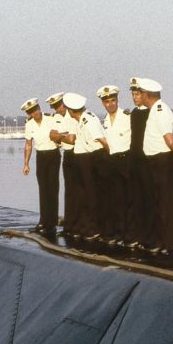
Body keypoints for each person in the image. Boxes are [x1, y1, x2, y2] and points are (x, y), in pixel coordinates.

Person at [141, 78, 173, 255]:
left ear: (146, 95)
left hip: (163, 162)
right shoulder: (153, 111)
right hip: (155, 162)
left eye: (141, 93)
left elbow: (170, 140)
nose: (139, 96)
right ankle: (163, 241)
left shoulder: (160, 111)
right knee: (159, 202)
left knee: (166, 203)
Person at [61, 93, 108, 240]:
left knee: (91, 195)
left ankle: (93, 229)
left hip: (92, 158)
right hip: (84, 160)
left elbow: (102, 141)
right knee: (85, 195)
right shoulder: (83, 118)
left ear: (70, 110)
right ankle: (87, 226)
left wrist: (109, 158)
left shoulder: (87, 120)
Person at [22, 98, 60, 236]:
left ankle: (52, 224)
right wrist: (26, 164)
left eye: (36, 109)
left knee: (53, 188)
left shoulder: (51, 119)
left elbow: (61, 134)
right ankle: (43, 221)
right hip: (41, 156)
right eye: (32, 112)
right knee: (43, 189)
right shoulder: (29, 125)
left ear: (39, 108)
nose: (35, 113)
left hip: (53, 155)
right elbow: (28, 145)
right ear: (29, 114)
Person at [98, 85, 130, 244]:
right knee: (114, 199)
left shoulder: (127, 116)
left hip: (125, 161)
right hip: (111, 162)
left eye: (113, 100)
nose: (110, 104)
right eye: (107, 102)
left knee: (127, 199)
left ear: (117, 100)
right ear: (103, 103)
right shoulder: (104, 120)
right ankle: (118, 232)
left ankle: (127, 233)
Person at [126, 78, 152, 249]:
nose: (135, 97)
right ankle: (139, 234)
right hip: (134, 160)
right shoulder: (134, 114)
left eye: (138, 94)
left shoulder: (150, 112)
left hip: (146, 160)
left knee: (148, 199)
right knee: (136, 200)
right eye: (133, 94)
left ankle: (149, 236)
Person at [48, 93, 78, 237]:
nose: (58, 109)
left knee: (80, 190)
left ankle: (80, 225)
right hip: (67, 155)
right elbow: (52, 136)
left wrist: (60, 137)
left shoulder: (73, 115)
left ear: (65, 104)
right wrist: (63, 136)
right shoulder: (56, 118)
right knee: (69, 190)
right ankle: (70, 225)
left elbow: (73, 139)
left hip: (78, 154)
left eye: (59, 106)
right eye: (55, 107)